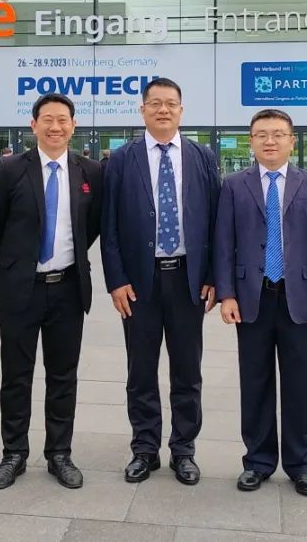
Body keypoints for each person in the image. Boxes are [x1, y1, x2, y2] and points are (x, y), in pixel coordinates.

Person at [101, 77, 221, 486]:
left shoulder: (202, 157)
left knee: (187, 371)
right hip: (140, 283)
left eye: (171, 103)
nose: (163, 110)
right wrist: (116, 280)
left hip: (188, 280)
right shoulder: (122, 159)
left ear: (181, 110)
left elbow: (216, 221)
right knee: (141, 370)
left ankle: (183, 450)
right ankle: (145, 449)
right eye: (155, 103)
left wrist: (213, 276)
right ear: (143, 110)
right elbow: (109, 225)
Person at [0, 94, 103, 490]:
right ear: (33, 125)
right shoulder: (10, 170)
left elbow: (93, 225)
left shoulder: (91, 171)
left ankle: (59, 453)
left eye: (62, 120)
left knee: (63, 375)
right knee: (16, 375)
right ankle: (13, 453)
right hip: (21, 290)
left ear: (73, 125)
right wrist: (17, 261)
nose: (55, 127)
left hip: (68, 288)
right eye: (47, 119)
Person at [214, 109, 307, 497]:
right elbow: (223, 244)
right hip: (252, 298)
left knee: (299, 384)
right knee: (255, 383)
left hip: (299, 299)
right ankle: (258, 462)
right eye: (262, 134)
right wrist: (226, 293)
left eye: (278, 134)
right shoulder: (233, 185)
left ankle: (301, 465)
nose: (270, 141)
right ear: (251, 141)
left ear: (292, 141)